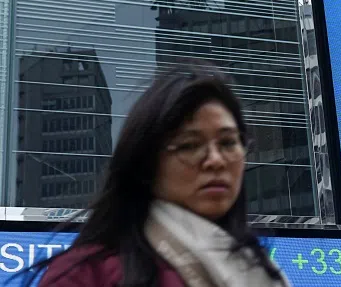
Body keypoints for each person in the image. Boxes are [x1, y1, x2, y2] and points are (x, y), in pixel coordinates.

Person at [26, 64, 289, 287]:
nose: (216, 161)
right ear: (146, 162)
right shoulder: (84, 274)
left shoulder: (259, 269)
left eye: (228, 142)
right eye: (189, 145)